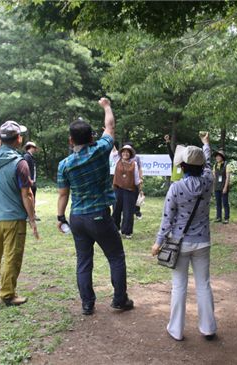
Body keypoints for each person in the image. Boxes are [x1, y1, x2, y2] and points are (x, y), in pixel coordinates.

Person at [57, 97, 134, 316]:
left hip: (77, 217)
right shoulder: (101, 149)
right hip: (99, 214)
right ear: (92, 136)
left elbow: (63, 194)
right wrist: (106, 106)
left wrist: (60, 217)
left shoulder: (65, 164)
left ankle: (87, 304)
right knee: (116, 256)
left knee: (83, 261)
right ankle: (120, 300)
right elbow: (110, 126)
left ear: (71, 140)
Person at [151, 132, 217, 341]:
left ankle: (176, 330)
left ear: (183, 167)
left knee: (179, 286)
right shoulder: (208, 181)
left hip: (179, 243)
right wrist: (206, 144)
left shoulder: (176, 187)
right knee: (204, 285)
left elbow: (167, 219)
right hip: (203, 242)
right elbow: (206, 165)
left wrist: (158, 242)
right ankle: (208, 328)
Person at [0, 121, 39, 306]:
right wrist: (32, 219)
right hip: (14, 217)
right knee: (12, 256)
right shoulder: (20, 163)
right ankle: (7, 294)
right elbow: (27, 194)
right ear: (18, 139)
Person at [111, 144, 142, 238]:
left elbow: (136, 178)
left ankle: (127, 232)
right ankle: (115, 229)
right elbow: (113, 151)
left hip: (130, 191)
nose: (125, 153)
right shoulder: (117, 160)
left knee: (128, 212)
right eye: (124, 152)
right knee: (116, 210)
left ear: (130, 154)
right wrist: (110, 135)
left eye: (127, 152)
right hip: (118, 189)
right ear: (121, 153)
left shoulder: (134, 164)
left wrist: (140, 188)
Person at [124, 141, 144, 220]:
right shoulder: (122, 157)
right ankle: (127, 213)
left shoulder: (136, 158)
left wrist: (141, 178)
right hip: (125, 182)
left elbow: (139, 168)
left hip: (135, 181)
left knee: (136, 197)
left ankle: (137, 212)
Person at [23, 141, 40, 220]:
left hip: (33, 181)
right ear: (30, 147)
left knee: (32, 198)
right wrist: (29, 179)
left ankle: (32, 214)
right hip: (29, 181)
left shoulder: (31, 157)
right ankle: (29, 215)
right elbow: (26, 170)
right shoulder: (27, 156)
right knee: (29, 198)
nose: (35, 149)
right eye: (34, 148)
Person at [213, 150, 231, 224]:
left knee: (225, 203)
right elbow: (214, 177)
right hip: (217, 187)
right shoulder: (215, 165)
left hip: (224, 186)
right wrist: (213, 186)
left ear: (222, 157)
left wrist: (225, 187)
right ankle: (218, 217)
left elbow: (228, 177)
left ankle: (226, 218)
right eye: (216, 156)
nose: (217, 157)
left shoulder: (227, 165)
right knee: (218, 203)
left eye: (219, 156)